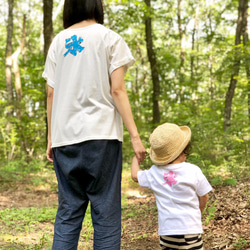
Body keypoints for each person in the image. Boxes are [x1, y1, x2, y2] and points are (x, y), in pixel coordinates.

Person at [42, 0, 146, 249]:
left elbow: (51, 93)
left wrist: (51, 137)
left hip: (65, 139)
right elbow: (118, 90)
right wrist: (135, 136)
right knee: (106, 215)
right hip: (103, 137)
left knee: (68, 214)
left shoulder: (58, 42)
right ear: (96, 5)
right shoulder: (110, 38)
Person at [131, 123, 212, 250]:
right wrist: (199, 211)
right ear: (184, 149)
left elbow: (135, 176)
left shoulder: (154, 172)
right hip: (190, 229)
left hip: (167, 232)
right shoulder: (193, 170)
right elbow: (204, 195)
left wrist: (136, 157)